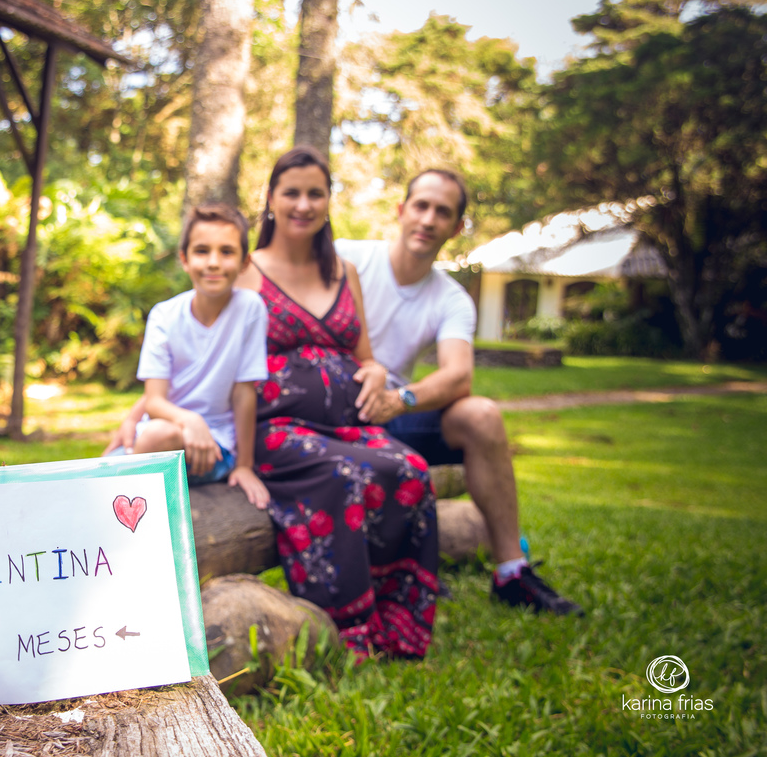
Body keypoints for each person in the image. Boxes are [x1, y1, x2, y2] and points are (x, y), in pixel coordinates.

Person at [334, 169, 583, 616]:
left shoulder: (450, 299)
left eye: (443, 212)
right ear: (401, 211)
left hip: (392, 412)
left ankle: (512, 571)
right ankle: (392, 568)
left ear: (457, 228)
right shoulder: (345, 257)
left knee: (482, 415)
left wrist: (400, 400)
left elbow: (458, 375)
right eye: (421, 206)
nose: (428, 220)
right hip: (332, 410)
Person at [235, 146, 440, 660]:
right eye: (292, 193)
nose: (303, 204)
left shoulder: (344, 271)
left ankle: (400, 621)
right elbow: (215, 359)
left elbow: (363, 355)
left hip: (350, 423)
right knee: (345, 477)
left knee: (411, 469)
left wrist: (372, 371)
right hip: (276, 429)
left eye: (315, 194)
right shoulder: (246, 271)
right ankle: (348, 629)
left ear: (328, 202)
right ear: (271, 200)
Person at [111, 204, 271, 509]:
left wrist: (245, 465)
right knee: (96, 471)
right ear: (184, 259)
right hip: (161, 431)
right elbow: (155, 400)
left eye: (226, 251)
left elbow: (243, 392)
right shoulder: (164, 315)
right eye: (201, 251)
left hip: (215, 446)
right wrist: (189, 420)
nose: (213, 262)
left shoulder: (250, 309)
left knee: (154, 439)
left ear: (244, 262)